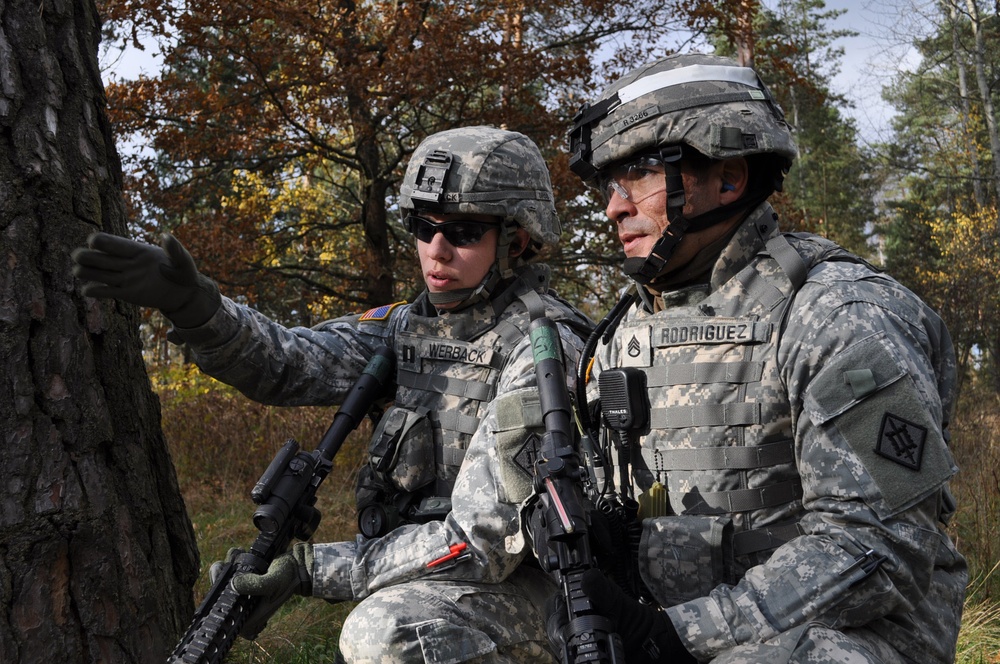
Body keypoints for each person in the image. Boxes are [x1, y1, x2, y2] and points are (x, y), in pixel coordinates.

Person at [72, 125, 593, 663]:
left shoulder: (545, 347)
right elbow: (287, 361)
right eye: (422, 226)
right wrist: (198, 309)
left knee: (383, 633)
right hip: (430, 578)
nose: (435, 251)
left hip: (538, 589)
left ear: (518, 240)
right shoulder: (404, 327)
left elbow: (483, 542)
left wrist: (311, 569)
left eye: (462, 232)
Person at [548, 53, 968, 664]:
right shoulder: (624, 330)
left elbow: (883, 544)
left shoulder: (839, 314)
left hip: (847, 638)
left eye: (636, 174)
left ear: (728, 179)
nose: (613, 206)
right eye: (609, 183)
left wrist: (675, 634)